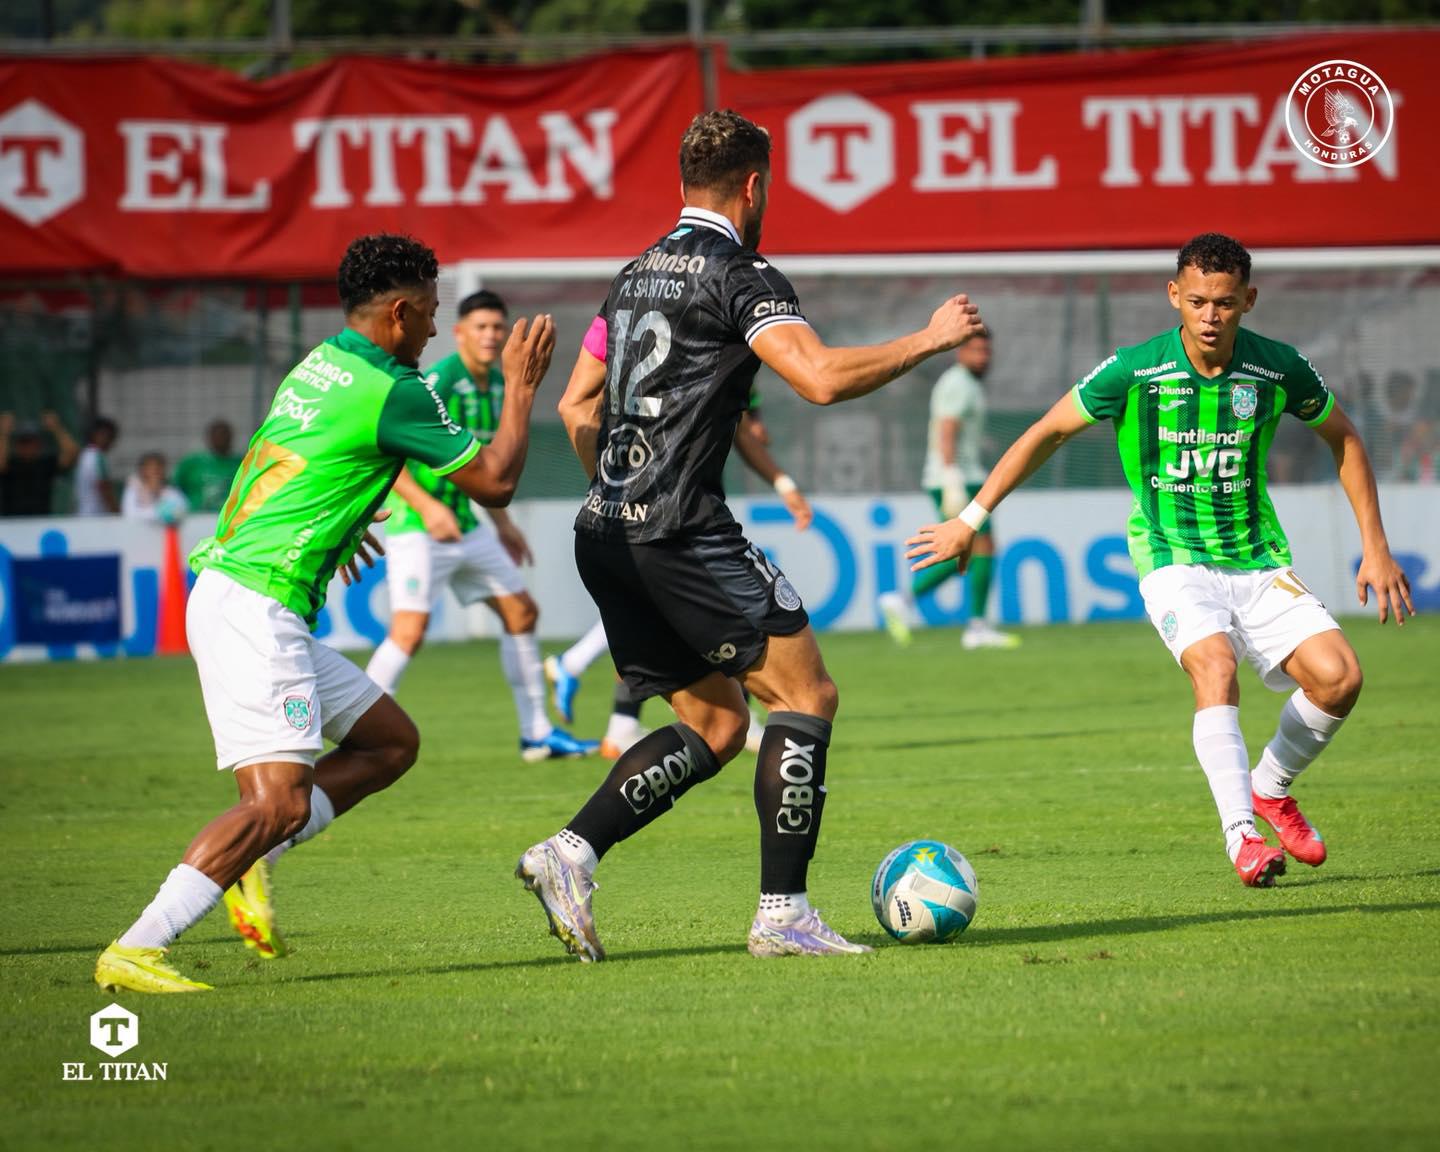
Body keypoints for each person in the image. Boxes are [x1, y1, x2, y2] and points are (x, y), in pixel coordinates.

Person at [517, 108, 983, 962]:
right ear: (756, 185)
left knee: (719, 727)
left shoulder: (631, 277)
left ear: (682, 183)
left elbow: (575, 406)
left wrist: (622, 492)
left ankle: (569, 853)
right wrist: (928, 338)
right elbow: (817, 377)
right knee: (808, 698)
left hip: (605, 531)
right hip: (683, 530)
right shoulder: (742, 274)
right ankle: (784, 914)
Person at [94, 233, 555, 993]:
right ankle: (138, 946)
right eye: (432, 314)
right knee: (276, 802)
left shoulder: (323, 360)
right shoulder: (397, 389)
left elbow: (296, 456)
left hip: (249, 587)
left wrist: (339, 531)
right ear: (400, 312)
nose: (436, 330)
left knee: (389, 743)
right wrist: (521, 385)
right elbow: (497, 481)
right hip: (256, 602)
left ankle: (253, 864)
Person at [907, 233, 1413, 888]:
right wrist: (970, 518)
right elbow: (1046, 433)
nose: (1209, 316)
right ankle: (1242, 837)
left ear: (1248, 301)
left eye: (1225, 303)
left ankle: (1271, 786)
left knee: (1340, 679)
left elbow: (1343, 437)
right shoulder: (1135, 370)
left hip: (1256, 559)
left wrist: (1375, 545)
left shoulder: (1278, 368)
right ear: (1175, 296)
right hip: (1171, 555)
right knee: (1216, 666)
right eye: (1197, 300)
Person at [364, 290, 598, 761]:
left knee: (521, 612)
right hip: (419, 525)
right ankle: (357, 725)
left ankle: (536, 733)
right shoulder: (439, 380)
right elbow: (394, 456)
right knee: (409, 631)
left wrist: (504, 525)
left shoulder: (496, 385)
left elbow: (480, 465)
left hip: (465, 523)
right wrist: (428, 508)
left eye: (498, 328)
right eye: (481, 327)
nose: (491, 336)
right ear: (459, 333)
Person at [544, 381, 814, 758]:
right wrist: (784, 484)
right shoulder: (708, 346)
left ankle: (612, 714)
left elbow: (745, 424)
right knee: (739, 617)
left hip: (653, 517)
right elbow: (574, 406)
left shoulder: (721, 352)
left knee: (651, 618)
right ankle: (743, 717)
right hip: (678, 521)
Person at [877, 331, 1019, 650]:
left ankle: (905, 601)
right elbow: (947, 429)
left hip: (960, 474)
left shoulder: (967, 383)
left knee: (967, 548)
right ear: (960, 352)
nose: (983, 356)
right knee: (981, 545)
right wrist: (952, 474)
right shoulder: (957, 383)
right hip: (956, 478)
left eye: (987, 350)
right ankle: (975, 626)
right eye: (976, 350)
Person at [0, 410, 78, 516]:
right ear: (17, 445)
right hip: (12, 524)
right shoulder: (10, 464)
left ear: (39, 444)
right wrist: (4, 433)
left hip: (40, 522)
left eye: (31, 442)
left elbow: (72, 453)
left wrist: (56, 428)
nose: (27, 447)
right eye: (23, 442)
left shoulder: (46, 463)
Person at [174, 419, 244, 512]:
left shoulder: (241, 463)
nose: (221, 439)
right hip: (196, 518)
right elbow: (174, 486)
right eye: (218, 435)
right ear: (209, 437)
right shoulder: (193, 463)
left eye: (224, 435)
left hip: (229, 518)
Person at [121, 451, 189, 523]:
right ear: (142, 470)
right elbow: (129, 515)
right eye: (150, 467)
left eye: (158, 468)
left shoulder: (171, 491)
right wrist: (158, 512)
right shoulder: (133, 490)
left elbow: (182, 511)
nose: (154, 471)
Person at [74, 416, 119, 515]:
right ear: (95, 435)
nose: (110, 441)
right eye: (108, 436)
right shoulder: (98, 456)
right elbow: (104, 486)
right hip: (97, 516)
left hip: (82, 514)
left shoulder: (84, 455)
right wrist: (116, 512)